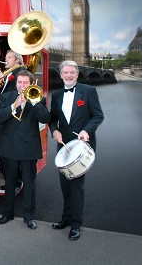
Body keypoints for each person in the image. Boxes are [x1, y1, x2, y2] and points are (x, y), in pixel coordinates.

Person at [48, 60, 104, 240]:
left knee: (77, 187)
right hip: (63, 146)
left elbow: (98, 116)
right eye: (65, 73)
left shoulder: (88, 91)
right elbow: (52, 119)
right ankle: (66, 218)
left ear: (77, 74)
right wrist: (54, 130)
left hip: (82, 146)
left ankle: (76, 224)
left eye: (72, 72)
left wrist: (87, 131)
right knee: (65, 185)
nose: (69, 75)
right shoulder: (56, 96)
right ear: (62, 74)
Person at [0, 69, 50, 230]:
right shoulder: (6, 97)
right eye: (19, 82)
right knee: (9, 182)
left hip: (28, 146)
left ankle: (29, 216)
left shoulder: (38, 97)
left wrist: (34, 102)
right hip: (10, 145)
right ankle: (7, 213)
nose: (22, 86)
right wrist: (14, 106)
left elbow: (45, 118)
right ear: (16, 83)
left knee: (29, 183)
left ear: (31, 83)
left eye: (25, 83)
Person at [0, 50, 24, 190]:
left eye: (9, 57)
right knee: (4, 150)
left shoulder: (18, 73)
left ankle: (13, 181)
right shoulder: (9, 73)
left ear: (17, 60)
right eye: (6, 57)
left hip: (8, 119)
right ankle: (11, 180)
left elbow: (17, 93)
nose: (6, 60)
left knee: (7, 151)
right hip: (2, 116)